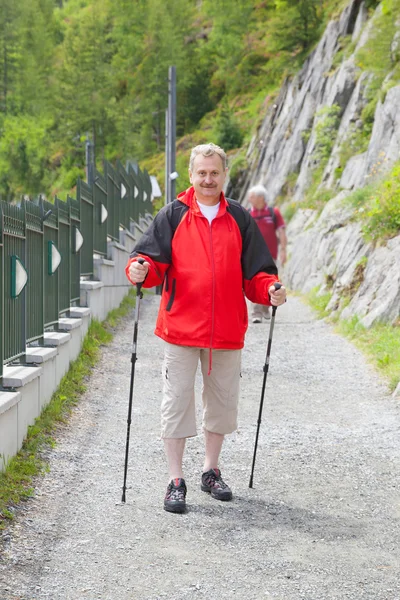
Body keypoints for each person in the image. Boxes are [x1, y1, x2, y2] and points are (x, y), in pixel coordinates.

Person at [125, 143, 286, 514]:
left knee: (222, 405)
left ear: (224, 175)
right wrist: (139, 269)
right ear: (192, 175)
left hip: (226, 329)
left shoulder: (240, 219)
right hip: (180, 328)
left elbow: (258, 273)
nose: (208, 179)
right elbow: (148, 261)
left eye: (214, 173)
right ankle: (175, 479)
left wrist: (270, 290)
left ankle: (210, 470)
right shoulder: (173, 215)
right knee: (176, 402)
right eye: (202, 173)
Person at [247, 184, 287, 324]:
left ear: (261, 198)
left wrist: (283, 250)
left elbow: (281, 231)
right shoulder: (247, 214)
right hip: (252, 255)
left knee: (270, 280)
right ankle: (256, 312)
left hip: (271, 255)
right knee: (255, 280)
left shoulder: (273, 213)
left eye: (252, 196)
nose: (249, 199)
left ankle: (265, 308)